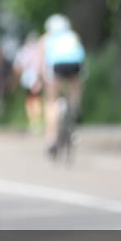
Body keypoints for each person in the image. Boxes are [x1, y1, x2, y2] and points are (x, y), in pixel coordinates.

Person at [38, 14, 86, 157]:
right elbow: (81, 56)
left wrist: (42, 80)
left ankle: (51, 140)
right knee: (75, 88)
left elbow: (42, 63)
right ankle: (75, 106)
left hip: (57, 66)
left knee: (51, 102)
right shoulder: (73, 36)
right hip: (75, 65)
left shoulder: (46, 38)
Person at [13, 32, 43, 133]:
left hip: (29, 79)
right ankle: (36, 121)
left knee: (31, 100)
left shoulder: (23, 52)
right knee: (36, 99)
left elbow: (17, 67)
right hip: (37, 78)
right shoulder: (39, 50)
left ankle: (34, 121)